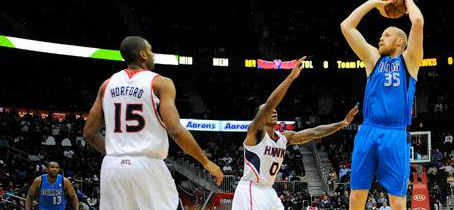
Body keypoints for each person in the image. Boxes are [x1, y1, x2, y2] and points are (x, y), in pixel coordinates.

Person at [83, 36, 224, 210]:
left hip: (112, 166)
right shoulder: (160, 83)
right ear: (142, 54)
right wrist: (205, 162)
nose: (153, 55)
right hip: (146, 165)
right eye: (150, 51)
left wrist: (119, 154)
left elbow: (89, 132)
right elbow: (175, 129)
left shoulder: (106, 85)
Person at [231, 57, 359, 210]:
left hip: (268, 190)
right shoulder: (255, 133)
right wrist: (291, 77)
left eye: (274, 110)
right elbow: (271, 102)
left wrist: (342, 123)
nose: (273, 110)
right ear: (260, 117)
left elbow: (314, 132)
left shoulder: (284, 138)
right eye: (268, 110)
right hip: (251, 189)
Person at [340, 0, 424, 209]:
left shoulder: (410, 61)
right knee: (356, 196)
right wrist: (373, 2)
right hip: (368, 130)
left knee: (397, 201)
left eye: (386, 34)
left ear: (400, 41)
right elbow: (346, 26)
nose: (380, 37)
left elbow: (418, 21)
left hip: (395, 134)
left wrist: (407, 1)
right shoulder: (373, 59)